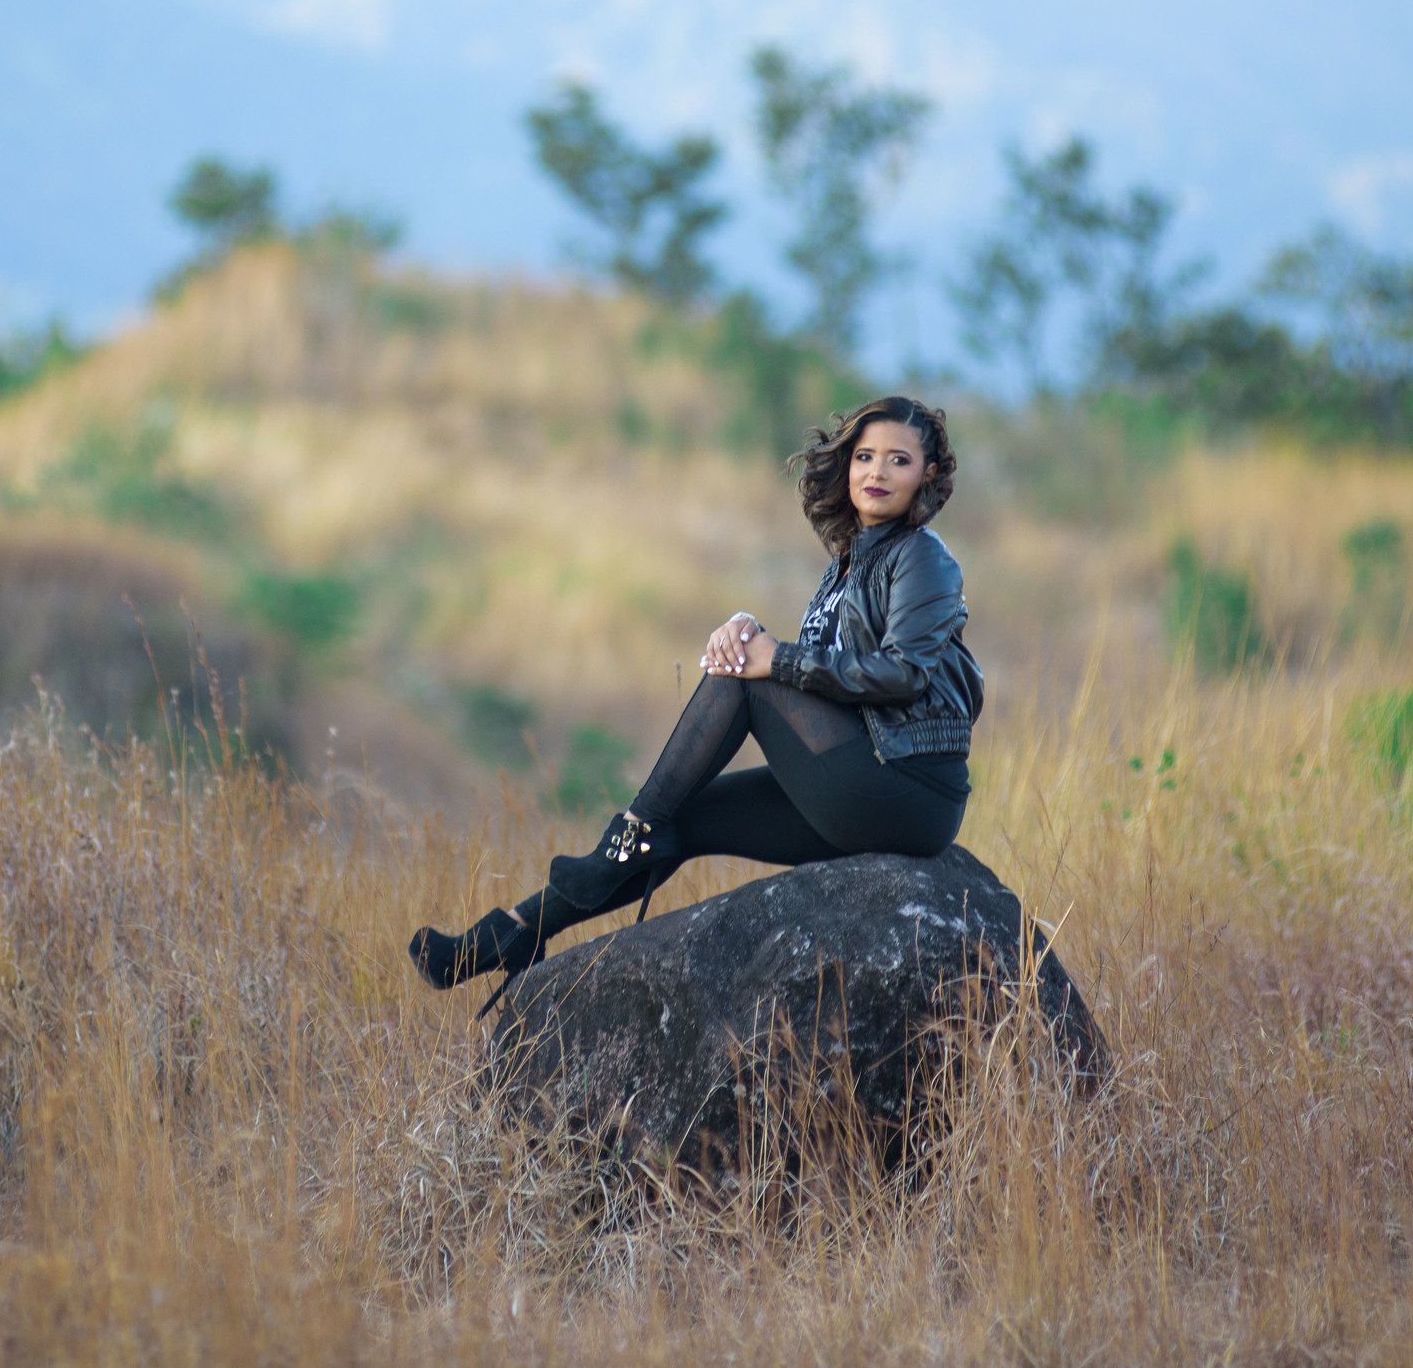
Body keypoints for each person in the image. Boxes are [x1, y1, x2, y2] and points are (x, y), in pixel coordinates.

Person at [409, 395, 984, 999]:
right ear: (845, 465)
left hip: (907, 786)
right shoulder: (848, 561)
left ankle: (620, 836)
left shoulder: (923, 556)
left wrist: (772, 656)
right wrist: (749, 628)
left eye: (898, 460)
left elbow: (902, 674)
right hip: (861, 773)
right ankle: (515, 929)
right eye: (864, 456)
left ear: (928, 475)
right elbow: (833, 668)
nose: (877, 472)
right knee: (680, 817)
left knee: (737, 682)